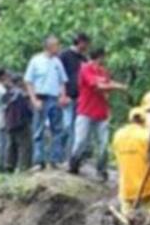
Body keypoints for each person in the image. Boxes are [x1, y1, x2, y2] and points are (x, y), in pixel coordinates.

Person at [68, 47, 127, 180]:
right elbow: (98, 86)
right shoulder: (85, 69)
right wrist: (118, 87)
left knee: (103, 143)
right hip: (85, 111)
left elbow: (107, 86)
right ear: (99, 57)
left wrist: (115, 87)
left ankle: (101, 170)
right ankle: (74, 162)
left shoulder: (103, 72)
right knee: (81, 141)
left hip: (101, 113)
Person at [25, 35, 70, 169]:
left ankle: (55, 159)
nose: (59, 47)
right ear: (49, 46)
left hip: (54, 98)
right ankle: (39, 161)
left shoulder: (57, 62)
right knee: (38, 130)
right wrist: (33, 99)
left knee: (58, 129)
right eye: (56, 45)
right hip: (41, 97)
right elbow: (29, 81)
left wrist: (63, 96)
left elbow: (62, 81)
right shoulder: (36, 60)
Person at [112, 107, 150, 213]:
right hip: (147, 189)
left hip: (126, 190)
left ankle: (127, 218)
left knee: (126, 209)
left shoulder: (118, 135)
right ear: (144, 120)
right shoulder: (147, 136)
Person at [59, 33, 90, 154]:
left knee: (77, 127)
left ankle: (72, 153)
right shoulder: (65, 55)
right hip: (67, 95)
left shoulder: (84, 59)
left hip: (81, 97)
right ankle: (62, 152)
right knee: (67, 126)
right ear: (80, 42)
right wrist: (62, 94)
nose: (87, 46)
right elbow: (59, 76)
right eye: (86, 43)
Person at [4, 73, 34, 172]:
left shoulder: (7, 93)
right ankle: (24, 166)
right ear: (20, 82)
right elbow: (26, 109)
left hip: (9, 122)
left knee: (11, 144)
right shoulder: (22, 94)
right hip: (21, 122)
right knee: (25, 145)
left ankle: (9, 164)